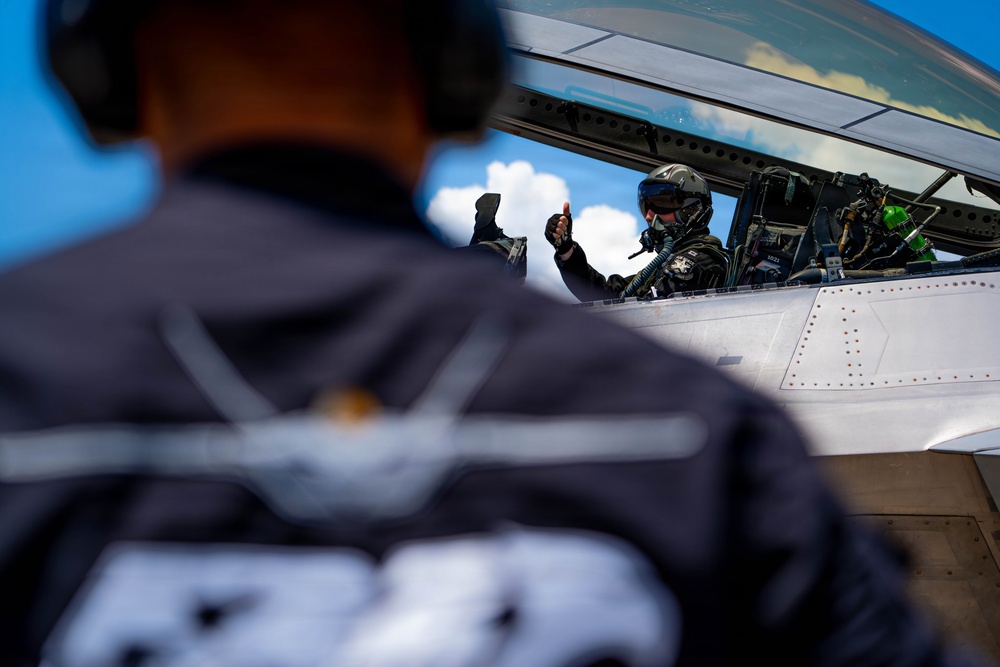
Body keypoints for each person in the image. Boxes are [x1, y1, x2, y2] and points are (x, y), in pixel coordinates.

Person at [0, 0, 978, 665]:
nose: (651, 214)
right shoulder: (700, 432)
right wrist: (568, 255)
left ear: (97, 75)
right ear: (460, 75)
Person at [546, 163, 730, 301]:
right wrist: (566, 250)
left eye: (661, 203)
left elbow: (650, 317)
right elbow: (606, 295)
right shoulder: (665, 265)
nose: (649, 216)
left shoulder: (696, 262)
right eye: (646, 207)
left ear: (692, 209)